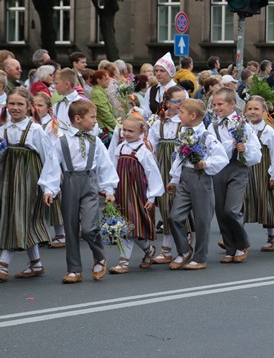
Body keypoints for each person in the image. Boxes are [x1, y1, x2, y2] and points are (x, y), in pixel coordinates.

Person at [43, 100, 119, 283]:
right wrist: (49, 188)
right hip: (69, 182)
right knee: (70, 227)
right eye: (92, 117)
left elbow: (105, 165)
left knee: (89, 227)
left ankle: (99, 255)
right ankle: (74, 269)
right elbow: (52, 165)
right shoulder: (61, 140)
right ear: (78, 119)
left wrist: (109, 188)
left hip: (90, 183)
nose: (95, 121)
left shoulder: (96, 141)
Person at [0, 88, 59, 282]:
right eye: (11, 104)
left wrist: (49, 187)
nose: (15, 108)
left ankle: (3, 264)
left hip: (29, 181)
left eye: (19, 104)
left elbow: (49, 158)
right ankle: (36, 264)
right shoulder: (4, 130)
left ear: (28, 107)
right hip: (9, 182)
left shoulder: (35, 131)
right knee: (16, 218)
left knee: (19, 219)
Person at [166, 99, 229, 270]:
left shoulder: (206, 136)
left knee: (202, 221)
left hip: (201, 179)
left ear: (193, 116)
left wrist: (206, 164)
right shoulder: (183, 133)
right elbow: (179, 157)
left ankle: (200, 257)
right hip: (185, 178)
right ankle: (184, 250)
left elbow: (222, 158)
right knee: (175, 217)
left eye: (182, 112)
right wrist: (174, 179)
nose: (179, 115)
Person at [208, 88, 261, 264]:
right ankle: (230, 247)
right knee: (221, 211)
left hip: (237, 168)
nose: (216, 108)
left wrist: (243, 150)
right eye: (214, 104)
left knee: (232, 209)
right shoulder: (212, 126)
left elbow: (256, 151)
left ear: (232, 104)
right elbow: (210, 149)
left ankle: (242, 244)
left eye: (220, 104)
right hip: (219, 170)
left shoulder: (242, 124)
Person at [108, 114, 164, 274]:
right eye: (124, 130)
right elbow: (112, 167)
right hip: (121, 192)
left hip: (137, 194)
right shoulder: (120, 148)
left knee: (134, 226)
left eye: (130, 131)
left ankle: (125, 261)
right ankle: (147, 251)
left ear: (141, 132)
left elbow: (153, 173)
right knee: (124, 226)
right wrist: (110, 189)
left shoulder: (143, 151)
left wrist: (152, 196)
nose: (126, 133)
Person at [147, 86, 188, 264]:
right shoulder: (159, 123)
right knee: (166, 207)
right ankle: (167, 248)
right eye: (177, 101)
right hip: (164, 168)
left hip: (183, 168)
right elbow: (151, 148)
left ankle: (184, 245)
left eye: (183, 100)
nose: (181, 104)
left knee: (182, 208)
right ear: (167, 102)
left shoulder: (186, 123)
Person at [243, 96, 274, 252]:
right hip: (247, 170)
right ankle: (235, 236)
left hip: (263, 172)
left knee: (266, 203)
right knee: (241, 203)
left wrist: (273, 175)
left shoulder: (268, 131)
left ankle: (272, 237)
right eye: (250, 109)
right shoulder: (244, 128)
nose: (252, 112)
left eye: (256, 109)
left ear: (264, 111)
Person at [32, 92, 65, 247]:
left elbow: (54, 145)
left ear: (48, 108)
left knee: (54, 199)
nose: (37, 108)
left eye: (40, 105)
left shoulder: (51, 124)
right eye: (34, 105)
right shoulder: (31, 123)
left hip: (50, 162)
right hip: (35, 164)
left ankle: (60, 233)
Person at [143, 52, 177, 118]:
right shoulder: (151, 90)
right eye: (156, 70)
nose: (158, 73)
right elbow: (145, 110)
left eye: (162, 71)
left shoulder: (179, 90)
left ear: (170, 73)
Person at [90, 70, 118, 145]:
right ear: (98, 80)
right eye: (106, 79)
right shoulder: (97, 93)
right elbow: (105, 113)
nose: (109, 81)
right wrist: (117, 126)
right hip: (105, 128)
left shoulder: (100, 92)